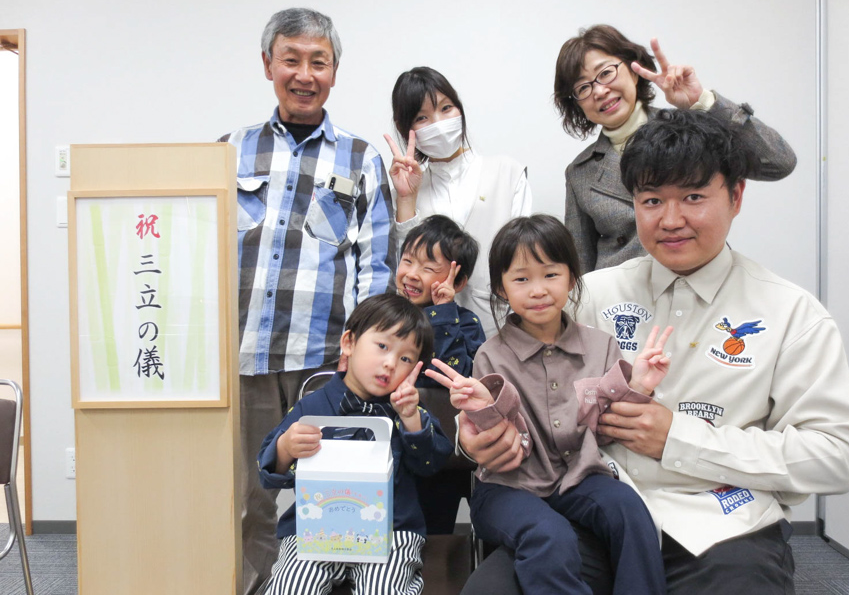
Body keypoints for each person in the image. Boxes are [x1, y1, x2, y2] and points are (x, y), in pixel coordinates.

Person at [459, 110, 849, 594]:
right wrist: (475, 437)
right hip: (591, 510)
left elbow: (838, 456)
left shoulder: (791, 314)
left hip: (721, 524)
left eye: (693, 197)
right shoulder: (590, 294)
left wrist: (678, 438)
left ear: (736, 196)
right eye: (652, 200)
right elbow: (519, 386)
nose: (671, 220)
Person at [219, 8, 395, 594]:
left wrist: (365, 354)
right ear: (267, 64)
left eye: (318, 62)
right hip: (243, 356)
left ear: (334, 71)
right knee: (249, 494)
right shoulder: (229, 151)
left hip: (324, 358)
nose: (304, 74)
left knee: (332, 488)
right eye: (290, 59)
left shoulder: (361, 158)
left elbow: (375, 264)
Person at [428, 214, 670, 595]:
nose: (538, 290)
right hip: (507, 489)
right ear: (501, 288)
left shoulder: (601, 346)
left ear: (572, 278)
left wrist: (638, 385)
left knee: (630, 511)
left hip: (580, 479)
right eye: (522, 279)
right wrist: (483, 407)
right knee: (549, 535)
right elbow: (501, 438)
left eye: (551, 275)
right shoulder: (490, 355)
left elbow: (608, 426)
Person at [553, 25, 797, 272]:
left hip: (702, 285)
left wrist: (701, 101)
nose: (599, 91)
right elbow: (579, 266)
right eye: (583, 88)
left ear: (634, 71)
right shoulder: (580, 173)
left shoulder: (694, 132)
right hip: (623, 294)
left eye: (606, 73)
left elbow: (778, 163)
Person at [257, 293, 453, 595]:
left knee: (384, 589)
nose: (390, 363)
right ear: (349, 342)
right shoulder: (311, 407)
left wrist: (411, 419)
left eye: (405, 358)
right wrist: (285, 447)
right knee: (293, 586)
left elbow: (432, 463)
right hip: (315, 530)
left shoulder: (408, 410)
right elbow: (269, 471)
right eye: (382, 346)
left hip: (392, 531)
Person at [384, 66, 533, 338]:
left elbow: (524, 259)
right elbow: (403, 271)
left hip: (501, 327)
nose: (439, 123)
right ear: (407, 129)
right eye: (422, 117)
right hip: (431, 335)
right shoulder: (407, 188)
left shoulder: (507, 173)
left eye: (446, 108)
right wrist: (406, 198)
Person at [396, 214, 486, 534]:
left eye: (428, 268)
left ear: (457, 281)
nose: (412, 274)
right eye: (408, 261)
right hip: (402, 445)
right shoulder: (387, 317)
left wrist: (442, 314)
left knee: (439, 525)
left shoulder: (466, 323)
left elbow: (456, 376)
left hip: (450, 446)